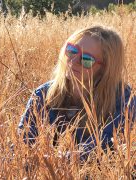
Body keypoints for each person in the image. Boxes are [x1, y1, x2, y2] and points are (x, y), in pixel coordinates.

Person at [18, 26, 136, 158]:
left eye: (86, 59)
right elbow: (22, 144)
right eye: (72, 50)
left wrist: (51, 161)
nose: (73, 61)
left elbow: (101, 148)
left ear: (105, 68)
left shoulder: (123, 99)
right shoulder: (43, 94)